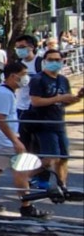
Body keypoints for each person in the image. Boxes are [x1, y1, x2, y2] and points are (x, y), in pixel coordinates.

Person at [0, 62, 48, 217]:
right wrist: (15, 141)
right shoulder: (4, 94)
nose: (26, 78)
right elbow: (0, 118)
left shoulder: (4, 91)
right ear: (13, 76)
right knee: (21, 171)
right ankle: (26, 206)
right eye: (23, 74)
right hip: (1, 140)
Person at [28, 49, 83, 191]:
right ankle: (26, 176)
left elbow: (65, 102)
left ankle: (62, 186)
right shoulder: (38, 79)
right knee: (51, 158)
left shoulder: (63, 80)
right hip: (43, 124)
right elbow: (35, 101)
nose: (54, 62)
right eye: (51, 60)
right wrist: (58, 98)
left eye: (57, 60)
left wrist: (78, 97)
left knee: (63, 157)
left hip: (59, 122)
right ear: (45, 61)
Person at [12, 34, 43, 150]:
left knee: (39, 141)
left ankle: (40, 166)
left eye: (22, 47)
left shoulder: (40, 62)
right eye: (17, 47)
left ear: (31, 47)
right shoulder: (17, 63)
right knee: (24, 141)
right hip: (21, 107)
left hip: (37, 107)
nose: (19, 50)